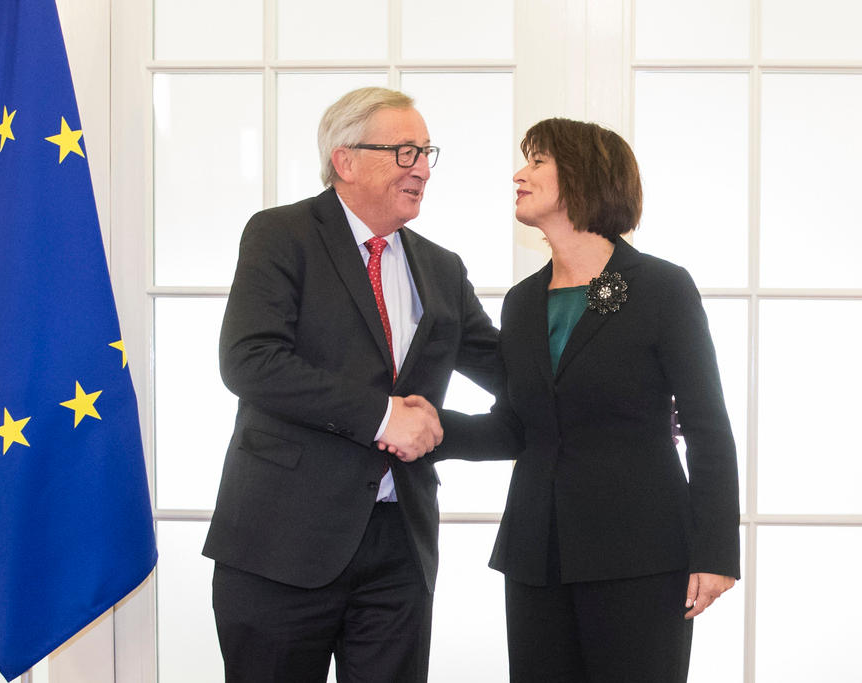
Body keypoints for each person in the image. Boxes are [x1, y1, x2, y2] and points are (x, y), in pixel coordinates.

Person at [202, 87, 502, 683]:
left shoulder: (442, 267)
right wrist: (384, 417)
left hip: (399, 549)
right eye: (405, 151)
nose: (421, 168)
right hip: (280, 544)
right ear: (345, 159)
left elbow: (510, 372)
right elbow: (249, 360)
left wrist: (629, 396)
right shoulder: (280, 234)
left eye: (426, 153)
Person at [436, 118, 741, 682]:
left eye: (536, 162)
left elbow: (706, 425)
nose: (518, 175)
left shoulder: (661, 287)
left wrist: (717, 551)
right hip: (536, 553)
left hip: (641, 553)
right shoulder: (523, 302)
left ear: (581, 175)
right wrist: (430, 429)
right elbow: (516, 426)